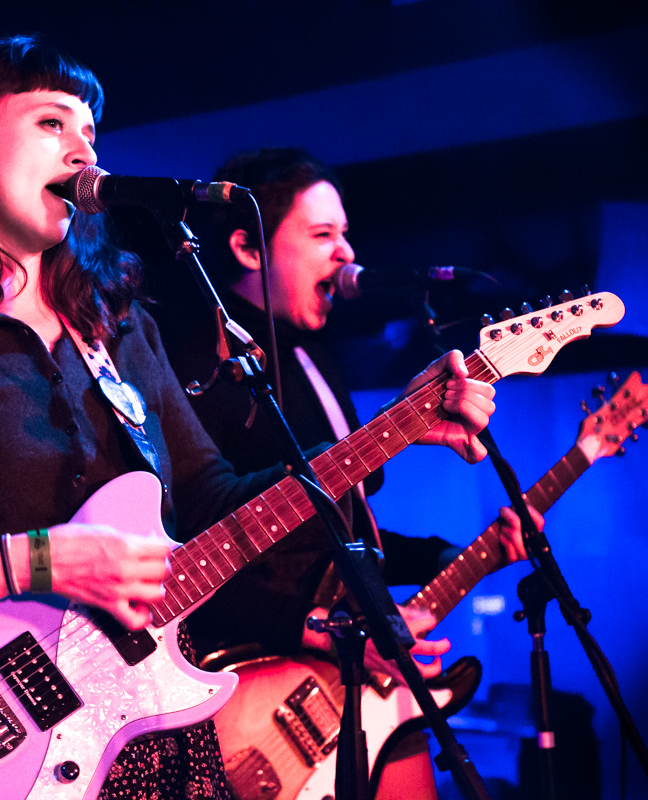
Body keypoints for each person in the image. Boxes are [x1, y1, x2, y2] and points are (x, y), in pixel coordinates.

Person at [0, 41, 494, 800]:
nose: (83, 148)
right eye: (51, 123)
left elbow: (212, 507)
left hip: (148, 738)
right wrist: (42, 560)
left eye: (91, 132)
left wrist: (392, 433)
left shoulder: (119, 330)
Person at [158, 148, 540, 799]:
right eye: (321, 234)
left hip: (354, 670)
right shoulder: (191, 357)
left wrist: (462, 554)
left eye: (345, 232)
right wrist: (314, 631)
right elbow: (195, 547)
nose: (345, 252)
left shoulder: (317, 364)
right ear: (249, 248)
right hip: (256, 686)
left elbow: (345, 540)